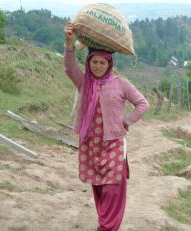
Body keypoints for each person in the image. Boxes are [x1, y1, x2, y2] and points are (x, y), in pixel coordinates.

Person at [63, 23, 149, 231]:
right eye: (94, 62)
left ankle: (107, 227)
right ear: (89, 62)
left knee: (113, 189)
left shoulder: (121, 84)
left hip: (113, 145)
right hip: (92, 145)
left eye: (102, 62)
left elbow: (143, 103)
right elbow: (69, 67)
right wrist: (69, 44)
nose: (98, 66)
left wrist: (126, 121)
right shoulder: (84, 83)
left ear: (109, 64)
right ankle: (105, 223)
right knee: (99, 187)